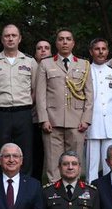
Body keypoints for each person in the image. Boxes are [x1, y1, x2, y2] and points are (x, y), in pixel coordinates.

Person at [36, 29, 94, 181]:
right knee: (53, 162)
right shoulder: (46, 64)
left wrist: (86, 119)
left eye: (68, 39)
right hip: (52, 121)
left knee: (73, 163)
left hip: (77, 121)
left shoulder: (84, 64)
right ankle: (54, 197)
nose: (65, 42)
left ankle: (73, 193)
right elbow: (40, 94)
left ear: (73, 43)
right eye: (61, 39)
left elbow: (89, 95)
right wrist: (43, 119)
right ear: (56, 43)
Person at [0, 24, 38, 170]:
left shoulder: (30, 61)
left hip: (23, 113)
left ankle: (24, 186)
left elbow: (35, 89)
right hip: (1, 114)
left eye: (14, 35)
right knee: (2, 153)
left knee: (25, 153)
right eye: (7, 36)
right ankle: (3, 187)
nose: (10, 38)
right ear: (2, 39)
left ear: (19, 39)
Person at [86, 38, 112, 181]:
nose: (100, 52)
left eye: (103, 49)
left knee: (111, 161)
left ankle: (111, 191)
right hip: (92, 123)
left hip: (111, 124)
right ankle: (90, 193)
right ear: (91, 52)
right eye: (97, 49)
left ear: (108, 51)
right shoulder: (85, 71)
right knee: (91, 165)